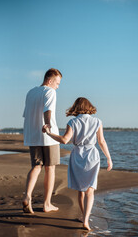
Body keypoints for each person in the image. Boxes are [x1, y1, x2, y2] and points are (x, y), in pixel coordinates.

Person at [42, 97, 113, 230]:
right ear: (89, 107)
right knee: (90, 190)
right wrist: (109, 158)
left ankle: (83, 215)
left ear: (76, 107)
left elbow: (64, 140)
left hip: (77, 155)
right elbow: (102, 142)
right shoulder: (97, 121)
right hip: (92, 155)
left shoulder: (73, 122)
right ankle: (86, 219)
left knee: (81, 190)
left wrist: (49, 133)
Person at [22, 68, 62, 214]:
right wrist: (48, 126)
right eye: (57, 83)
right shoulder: (50, 91)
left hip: (32, 135)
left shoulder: (31, 92)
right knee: (50, 168)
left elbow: (26, 115)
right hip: (48, 136)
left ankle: (27, 196)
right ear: (50, 80)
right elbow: (48, 110)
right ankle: (47, 204)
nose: (58, 86)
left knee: (36, 166)